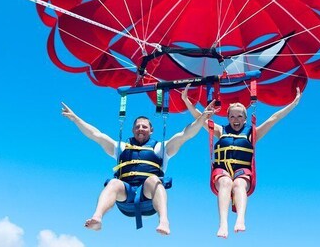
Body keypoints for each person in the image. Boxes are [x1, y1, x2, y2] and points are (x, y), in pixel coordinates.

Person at [61, 101, 214, 235]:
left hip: (148, 200)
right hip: (125, 199)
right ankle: (97, 218)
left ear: (151, 130)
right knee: (113, 183)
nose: (141, 129)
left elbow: (185, 135)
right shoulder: (120, 147)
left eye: (144, 127)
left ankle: (164, 221)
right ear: (133, 130)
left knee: (153, 179)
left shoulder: (161, 148)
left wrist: (202, 119)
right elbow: (96, 135)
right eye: (137, 126)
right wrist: (75, 119)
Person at [181, 85, 301, 238]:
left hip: (242, 173)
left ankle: (240, 219)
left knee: (238, 184)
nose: (235, 120)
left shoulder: (252, 133)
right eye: (232, 116)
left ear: (245, 118)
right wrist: (186, 100)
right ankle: (223, 224)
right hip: (222, 171)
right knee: (226, 183)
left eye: (239, 117)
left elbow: (274, 119)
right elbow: (200, 118)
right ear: (227, 118)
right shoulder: (220, 130)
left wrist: (294, 103)